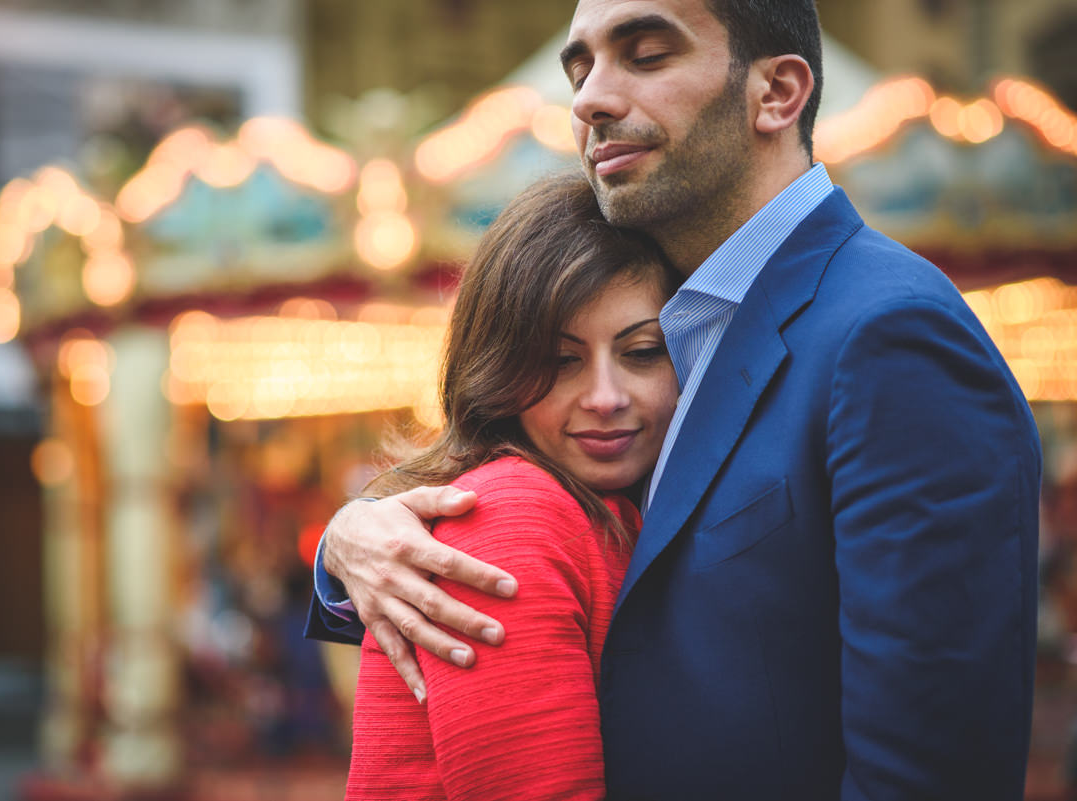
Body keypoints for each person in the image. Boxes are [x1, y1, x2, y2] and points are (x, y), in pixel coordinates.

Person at [309, 0, 1043, 798]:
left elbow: (929, 769)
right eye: (580, 66)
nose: (589, 97)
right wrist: (348, 540)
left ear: (777, 93)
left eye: (647, 54)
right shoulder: (699, 319)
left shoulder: (885, 334)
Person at [346, 172, 679, 800]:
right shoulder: (509, 517)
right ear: (500, 368)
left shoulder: (608, 500)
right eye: (561, 361)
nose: (606, 399)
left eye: (641, 352)